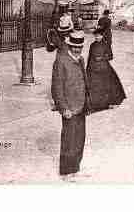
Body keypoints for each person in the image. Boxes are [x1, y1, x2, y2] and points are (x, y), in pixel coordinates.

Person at [51, 31, 90, 181]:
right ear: (69, 45)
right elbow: (56, 87)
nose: (77, 49)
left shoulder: (81, 60)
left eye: (79, 47)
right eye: (74, 47)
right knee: (69, 141)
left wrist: (87, 101)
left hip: (81, 106)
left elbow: (85, 81)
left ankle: (75, 168)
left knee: (79, 139)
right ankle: (66, 172)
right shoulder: (61, 61)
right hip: (69, 108)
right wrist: (63, 108)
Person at [86, 28, 126, 112]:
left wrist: (102, 58)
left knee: (107, 85)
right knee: (94, 86)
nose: (97, 37)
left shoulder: (106, 45)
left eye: (99, 36)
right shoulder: (92, 45)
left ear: (102, 36)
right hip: (93, 68)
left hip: (104, 68)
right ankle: (96, 104)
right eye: (96, 36)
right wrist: (88, 67)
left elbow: (110, 56)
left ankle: (106, 103)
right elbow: (89, 57)